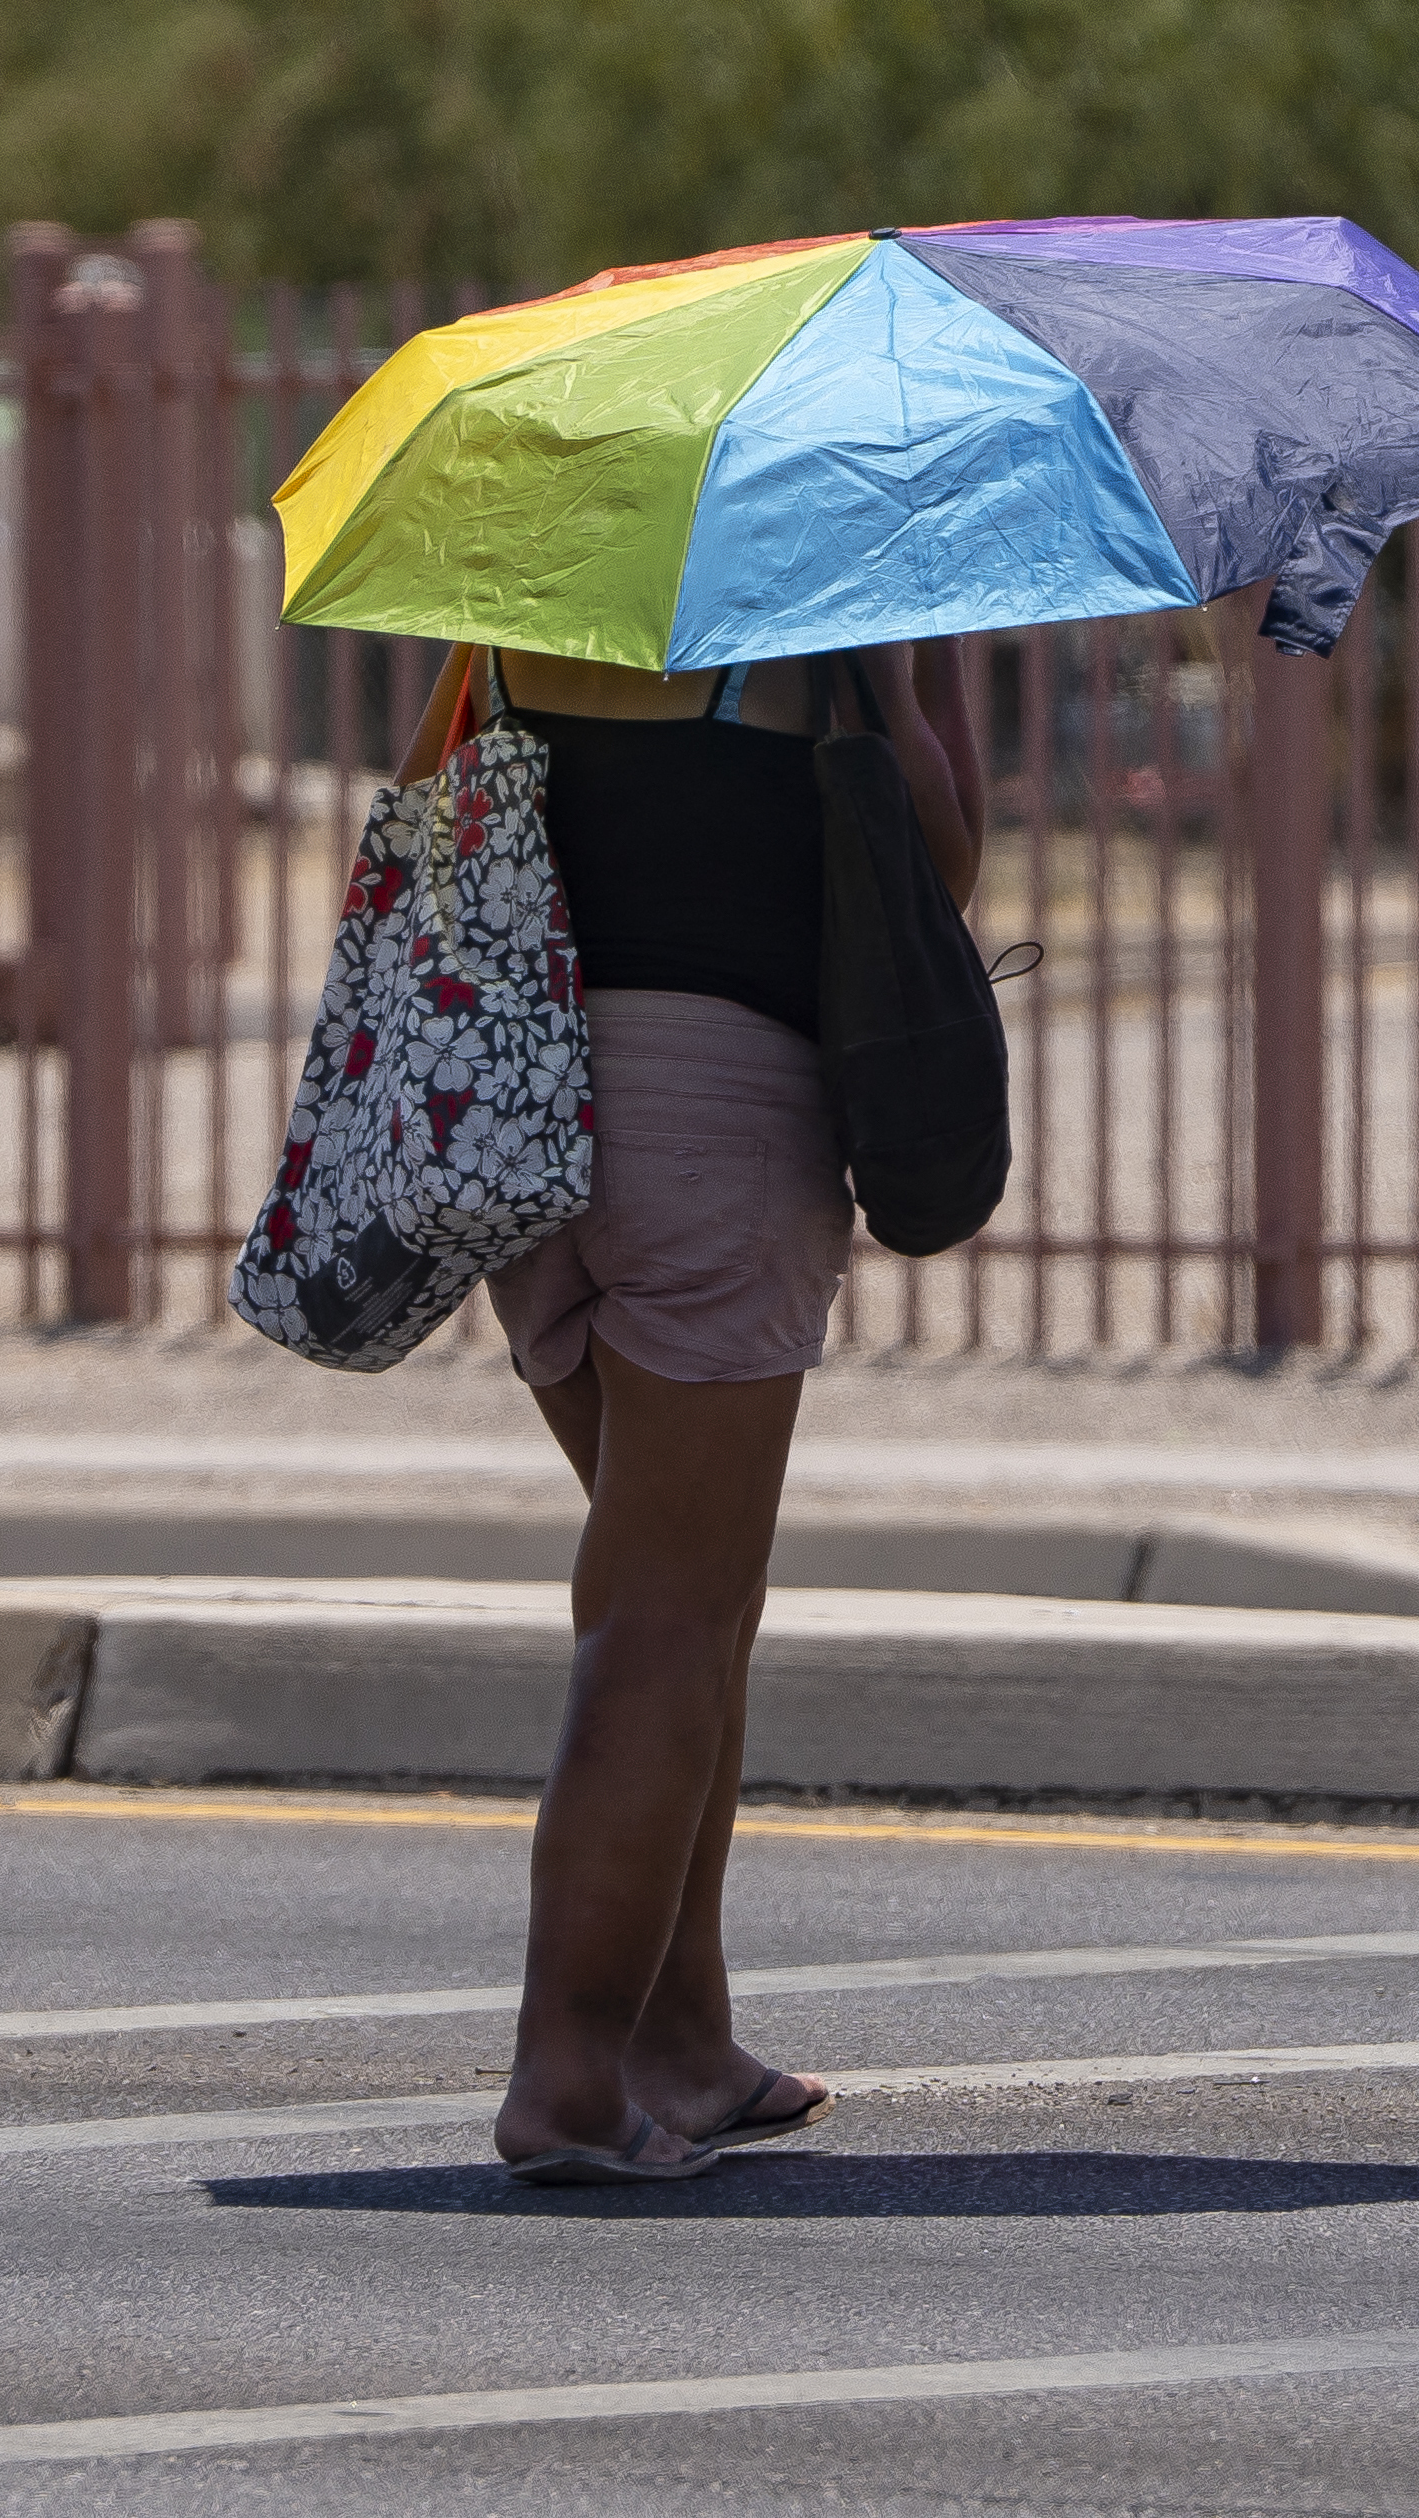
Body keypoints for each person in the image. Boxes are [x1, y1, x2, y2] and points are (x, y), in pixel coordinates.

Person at [474, 633, 983, 2189]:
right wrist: (914, 680)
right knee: (670, 1615)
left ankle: (681, 2044)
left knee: (676, 1599)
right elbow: (935, 863)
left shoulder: (527, 570)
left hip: (512, 1101)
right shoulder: (832, 585)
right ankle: (568, 2072)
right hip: (707, 1114)